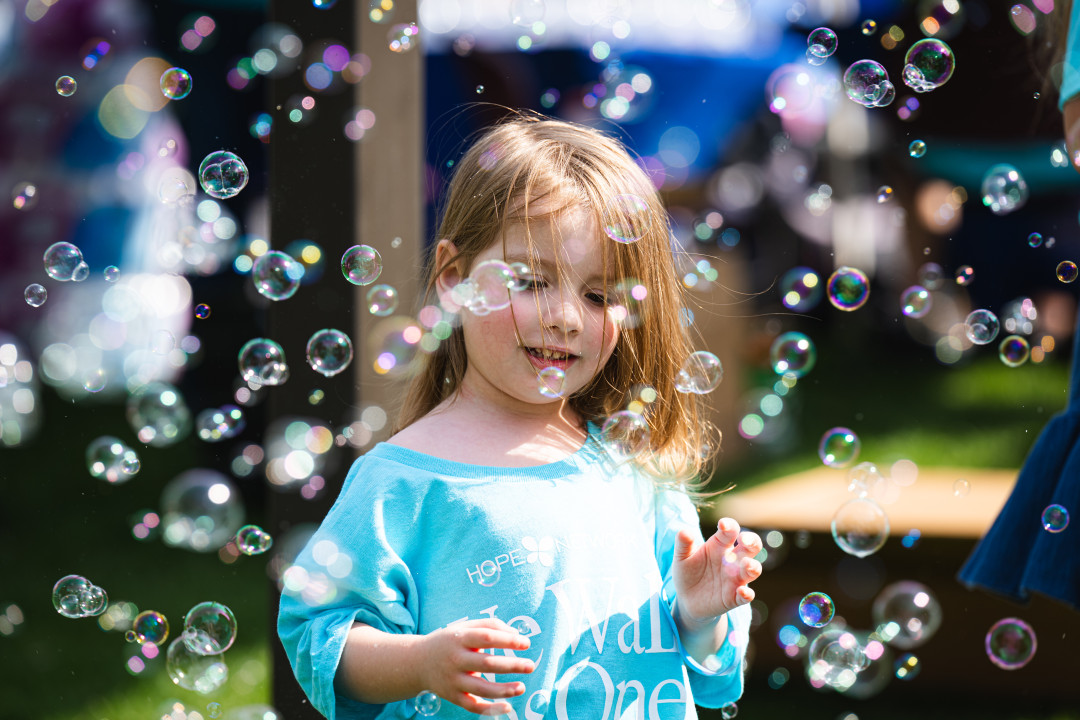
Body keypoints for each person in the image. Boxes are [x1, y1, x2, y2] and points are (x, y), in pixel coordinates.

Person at [277, 114, 762, 719]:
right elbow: (317, 636)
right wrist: (421, 662)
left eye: (599, 295)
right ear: (454, 279)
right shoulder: (404, 481)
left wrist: (699, 616)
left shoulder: (631, 466)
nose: (565, 317)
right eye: (532, 281)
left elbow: (712, 675)